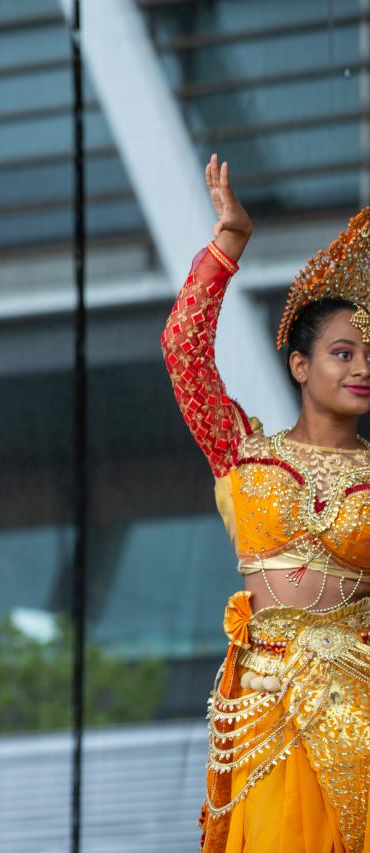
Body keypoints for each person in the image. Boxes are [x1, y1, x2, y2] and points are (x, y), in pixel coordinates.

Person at [163, 155, 370, 853]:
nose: (362, 367)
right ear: (299, 364)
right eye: (343, 352)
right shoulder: (241, 450)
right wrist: (228, 245)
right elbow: (183, 352)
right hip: (265, 702)